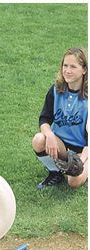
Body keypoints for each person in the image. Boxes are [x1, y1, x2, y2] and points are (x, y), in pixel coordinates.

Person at [32, 47, 88, 189]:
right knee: (39, 140)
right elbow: (44, 119)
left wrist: (81, 160)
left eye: (73, 67)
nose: (67, 71)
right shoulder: (56, 90)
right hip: (62, 146)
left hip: (84, 148)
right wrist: (49, 134)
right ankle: (55, 173)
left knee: (73, 182)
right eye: (65, 65)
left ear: (84, 70)